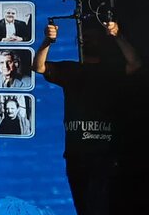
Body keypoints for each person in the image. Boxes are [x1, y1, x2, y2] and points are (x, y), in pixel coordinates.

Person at [33, 18, 142, 215]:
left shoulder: (110, 71)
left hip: (103, 155)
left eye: (92, 37)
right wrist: (47, 41)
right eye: (84, 37)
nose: (87, 41)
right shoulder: (70, 70)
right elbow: (39, 66)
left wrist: (118, 36)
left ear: (101, 41)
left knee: (99, 206)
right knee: (82, 207)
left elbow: (135, 63)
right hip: (76, 156)